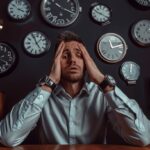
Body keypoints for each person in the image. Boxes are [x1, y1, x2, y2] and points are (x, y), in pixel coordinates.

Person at [0, 31, 150, 147]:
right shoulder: (42, 95)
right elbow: (8, 138)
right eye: (65, 56)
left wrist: (103, 82)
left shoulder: (102, 95)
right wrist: (49, 83)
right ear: (55, 63)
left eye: (79, 55)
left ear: (87, 62)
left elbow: (143, 137)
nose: (73, 60)